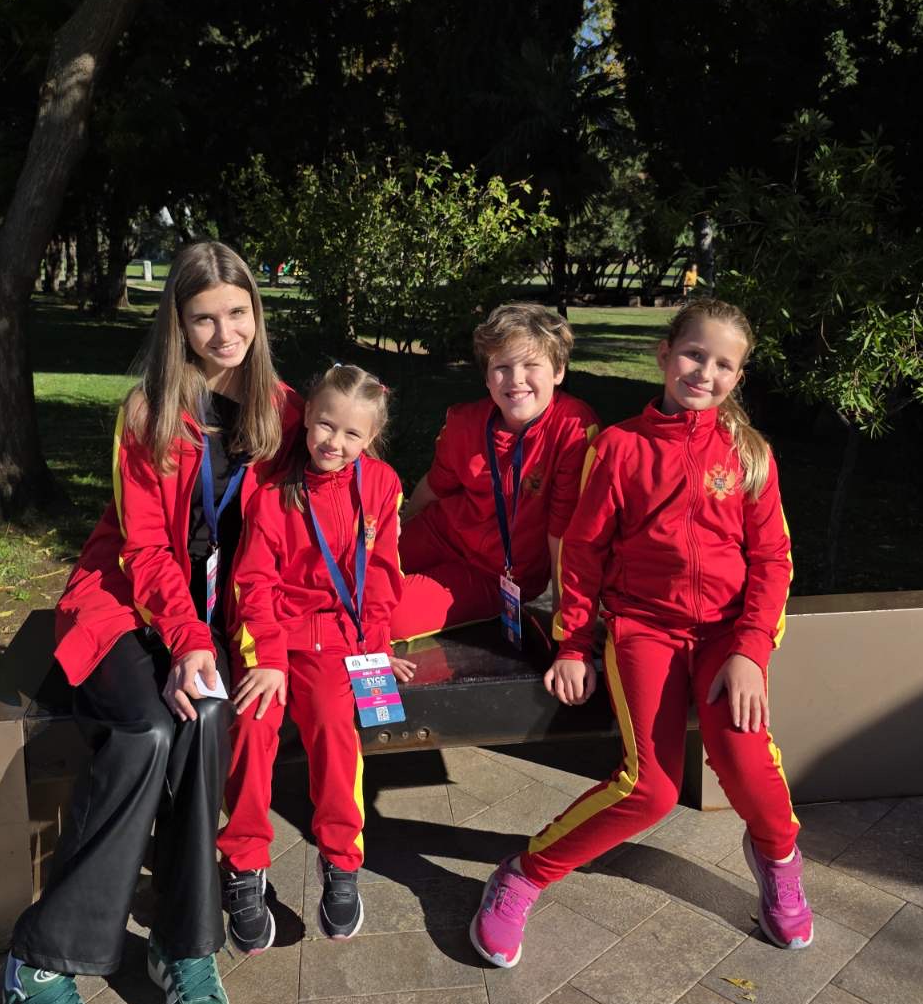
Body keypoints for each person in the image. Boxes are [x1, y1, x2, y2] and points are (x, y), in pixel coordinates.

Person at [4, 241, 301, 1004]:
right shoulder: (147, 411)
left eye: (238, 313)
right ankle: (40, 964)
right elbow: (142, 548)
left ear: (257, 313)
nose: (225, 333)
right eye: (204, 318)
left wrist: (247, 643)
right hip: (126, 602)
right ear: (178, 324)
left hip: (216, 619)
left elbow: (277, 545)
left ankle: (183, 940)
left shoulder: (282, 410)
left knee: (207, 715)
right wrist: (187, 640)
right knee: (145, 730)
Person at [471, 298, 812, 967]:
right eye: (693, 355)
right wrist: (574, 643)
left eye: (723, 365)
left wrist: (750, 652)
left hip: (727, 637)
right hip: (644, 631)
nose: (704, 372)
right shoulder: (619, 447)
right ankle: (524, 874)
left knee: (747, 761)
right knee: (651, 789)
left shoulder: (749, 454)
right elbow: (584, 552)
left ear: (738, 376)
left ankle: (778, 859)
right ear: (664, 354)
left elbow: (773, 560)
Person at [218, 364, 403, 949]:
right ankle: (244, 863)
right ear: (306, 419)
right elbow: (253, 583)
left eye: (351, 434)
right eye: (325, 425)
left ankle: (341, 860)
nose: (334, 442)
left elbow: (381, 575)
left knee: (335, 727)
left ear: (371, 437)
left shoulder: (382, 485)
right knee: (251, 726)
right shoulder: (274, 493)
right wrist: (268, 658)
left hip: (339, 641)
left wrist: (376, 649)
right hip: (271, 638)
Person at [390, 302, 599, 642]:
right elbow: (435, 486)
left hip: (494, 573)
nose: (516, 379)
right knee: (350, 574)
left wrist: (567, 633)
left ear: (559, 371)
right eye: (502, 367)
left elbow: (562, 537)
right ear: (487, 377)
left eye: (531, 365)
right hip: (440, 533)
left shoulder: (572, 429)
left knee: (387, 616)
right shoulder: (466, 421)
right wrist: (398, 539)